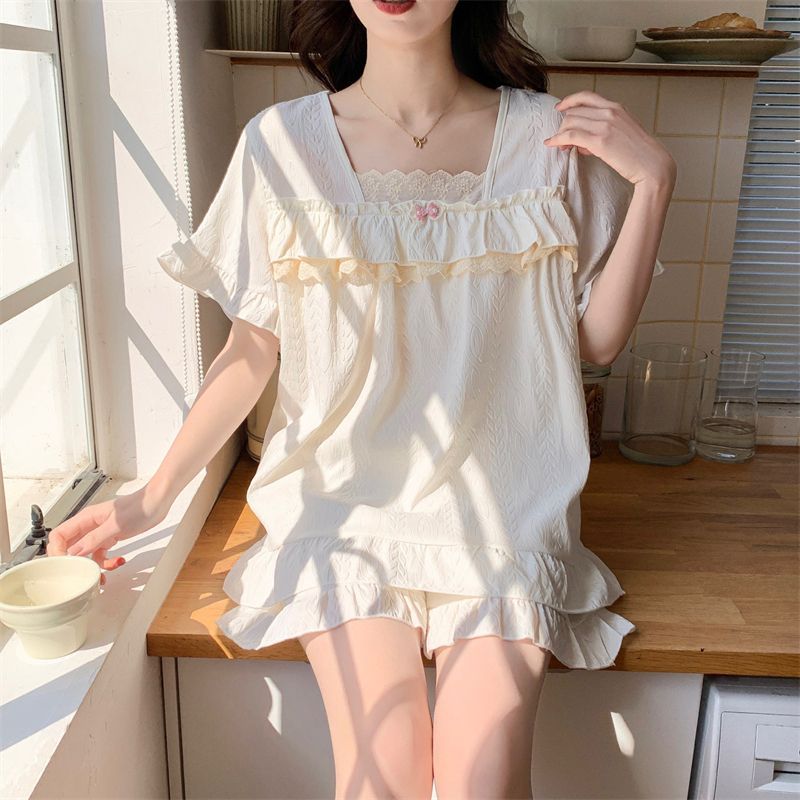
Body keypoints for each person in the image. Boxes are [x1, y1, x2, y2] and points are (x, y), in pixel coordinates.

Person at [47, 1, 676, 797]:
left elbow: (596, 341)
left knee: (484, 784)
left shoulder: (549, 139)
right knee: (385, 777)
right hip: (341, 507)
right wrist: (151, 497)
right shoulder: (282, 145)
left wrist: (655, 182)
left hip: (508, 510)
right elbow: (251, 349)